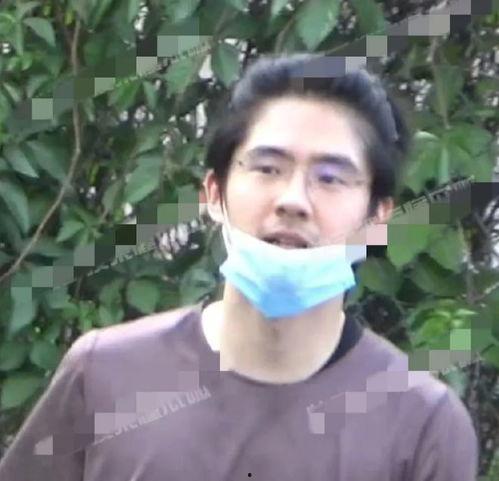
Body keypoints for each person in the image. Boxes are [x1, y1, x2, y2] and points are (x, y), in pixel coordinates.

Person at [0, 53, 478, 481]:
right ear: (214, 193)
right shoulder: (106, 372)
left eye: (331, 178)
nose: (293, 200)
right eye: (268, 168)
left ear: (377, 219)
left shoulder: (422, 425)